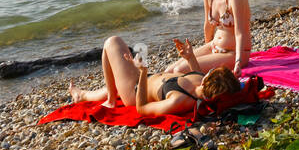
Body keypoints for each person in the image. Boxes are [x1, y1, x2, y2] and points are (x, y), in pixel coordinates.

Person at [70, 35, 239, 114]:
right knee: (114, 83)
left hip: (134, 90)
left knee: (112, 42)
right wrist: (190, 57)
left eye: (209, 73)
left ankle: (111, 101)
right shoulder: (200, 83)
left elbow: (141, 108)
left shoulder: (179, 101)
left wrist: (143, 72)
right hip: (147, 79)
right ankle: (82, 95)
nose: (206, 74)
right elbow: (195, 72)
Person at [166, 0, 251, 76]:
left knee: (179, 70)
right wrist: (207, 51)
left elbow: (240, 32)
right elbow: (208, 24)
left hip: (234, 52)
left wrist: (238, 61)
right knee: (169, 70)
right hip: (213, 46)